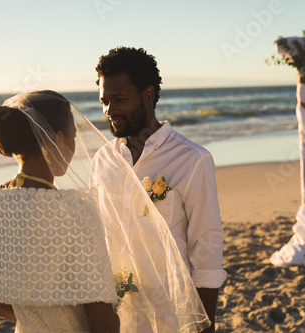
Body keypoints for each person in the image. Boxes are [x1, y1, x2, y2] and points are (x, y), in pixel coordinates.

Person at [92, 47, 227, 332]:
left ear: (148, 95)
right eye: (104, 101)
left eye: (118, 99)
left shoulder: (192, 159)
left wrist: (206, 323)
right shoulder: (103, 159)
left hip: (172, 311)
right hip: (118, 311)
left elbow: (207, 243)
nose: (109, 110)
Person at [0, 90, 119, 332]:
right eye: (73, 136)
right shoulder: (74, 211)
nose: (75, 146)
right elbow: (101, 316)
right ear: (57, 138)